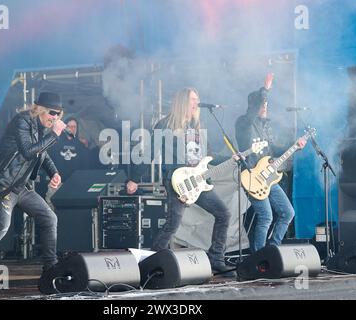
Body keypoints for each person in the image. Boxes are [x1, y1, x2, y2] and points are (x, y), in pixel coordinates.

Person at [0, 92, 68, 291]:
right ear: (40, 109)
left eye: (58, 115)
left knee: (49, 218)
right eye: (52, 113)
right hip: (3, 183)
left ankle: (50, 270)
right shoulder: (22, 121)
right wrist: (54, 135)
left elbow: (42, 154)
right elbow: (29, 151)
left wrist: (55, 173)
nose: (55, 118)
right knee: (2, 226)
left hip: (20, 186)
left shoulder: (39, 127)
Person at [126, 87, 233, 274]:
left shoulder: (196, 126)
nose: (196, 103)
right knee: (172, 225)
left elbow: (205, 157)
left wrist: (231, 157)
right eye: (193, 99)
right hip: (176, 181)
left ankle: (216, 258)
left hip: (197, 180)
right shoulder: (165, 125)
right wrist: (134, 179)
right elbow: (150, 152)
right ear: (183, 101)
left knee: (223, 214)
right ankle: (151, 264)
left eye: (197, 99)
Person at [235, 73, 307, 252]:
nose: (265, 106)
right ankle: (258, 255)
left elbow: (274, 148)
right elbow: (252, 112)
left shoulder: (265, 126)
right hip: (252, 176)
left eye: (266, 103)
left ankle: (272, 249)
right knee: (266, 216)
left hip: (268, 178)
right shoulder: (244, 123)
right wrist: (265, 89)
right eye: (262, 103)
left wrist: (295, 146)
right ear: (255, 105)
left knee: (288, 212)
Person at [44, 116, 90, 210]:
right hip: (56, 184)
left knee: (70, 212)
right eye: (69, 126)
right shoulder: (55, 142)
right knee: (50, 211)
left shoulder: (81, 145)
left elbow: (85, 167)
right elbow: (46, 160)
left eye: (74, 127)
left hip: (74, 185)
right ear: (64, 127)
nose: (71, 129)